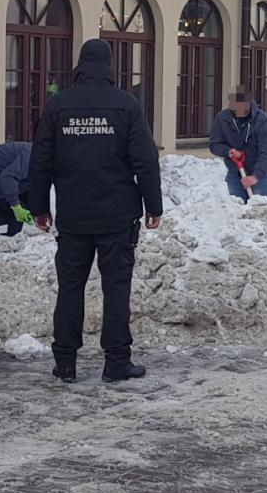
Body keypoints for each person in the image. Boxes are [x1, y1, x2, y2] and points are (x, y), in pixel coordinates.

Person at [23, 40, 164, 383]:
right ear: (110, 66)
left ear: (80, 65)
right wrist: (153, 206)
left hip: (73, 215)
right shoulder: (126, 105)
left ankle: (66, 362)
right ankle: (117, 363)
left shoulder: (58, 106)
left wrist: (39, 208)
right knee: (116, 288)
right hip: (117, 216)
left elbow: (40, 161)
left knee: (70, 287)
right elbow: (145, 161)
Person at [209, 90, 267, 203]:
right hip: (235, 174)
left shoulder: (262, 121)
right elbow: (214, 144)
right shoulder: (223, 119)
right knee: (236, 212)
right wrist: (228, 151)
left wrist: (256, 176)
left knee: (260, 212)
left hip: (261, 176)